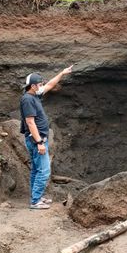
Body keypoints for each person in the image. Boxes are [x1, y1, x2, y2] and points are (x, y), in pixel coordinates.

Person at [20, 65, 73, 209]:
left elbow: (49, 85)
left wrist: (62, 73)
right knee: (44, 171)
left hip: (38, 139)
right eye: (39, 84)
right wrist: (39, 142)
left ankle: (36, 197)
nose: (42, 85)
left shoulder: (34, 94)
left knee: (37, 170)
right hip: (36, 140)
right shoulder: (27, 100)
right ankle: (35, 202)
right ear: (32, 86)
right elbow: (30, 122)